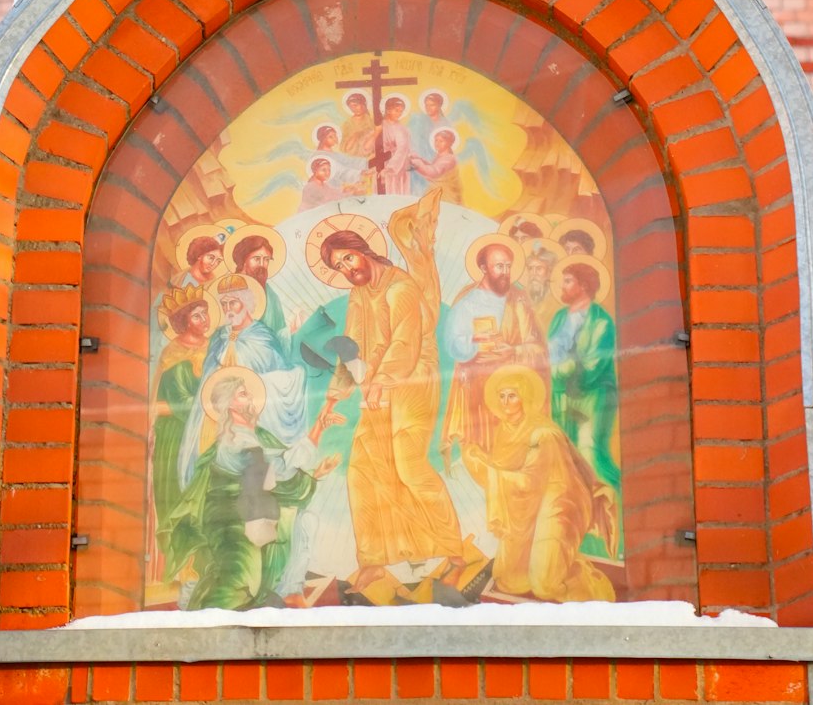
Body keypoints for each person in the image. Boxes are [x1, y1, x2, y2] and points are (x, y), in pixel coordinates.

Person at [319, 207, 463, 589]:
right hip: (376, 387)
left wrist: (382, 380)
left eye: (348, 258)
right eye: (339, 266)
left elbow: (406, 342)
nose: (347, 269)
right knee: (362, 468)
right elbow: (349, 345)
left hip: (414, 378)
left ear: (363, 251)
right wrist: (336, 394)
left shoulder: (402, 287)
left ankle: (454, 550)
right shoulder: (358, 295)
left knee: (409, 464)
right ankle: (373, 560)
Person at [161, 368, 341, 610]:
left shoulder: (257, 436)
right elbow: (278, 469)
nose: (251, 399)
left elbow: (278, 474)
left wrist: (316, 471)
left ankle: (289, 591)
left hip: (253, 514)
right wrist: (318, 428)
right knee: (242, 579)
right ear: (231, 405)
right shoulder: (233, 441)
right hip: (231, 523)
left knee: (305, 521)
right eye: (243, 394)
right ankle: (204, 610)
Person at [463, 367, 617, 603]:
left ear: (524, 398)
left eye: (512, 396)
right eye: (501, 396)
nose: (505, 402)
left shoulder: (543, 435)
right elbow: (505, 473)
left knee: (544, 586)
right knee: (508, 581)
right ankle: (560, 563)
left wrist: (483, 467)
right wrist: (480, 459)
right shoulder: (505, 430)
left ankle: (593, 591)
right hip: (528, 508)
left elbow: (527, 483)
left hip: (560, 504)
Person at [178, 269, 306, 477]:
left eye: (233, 302)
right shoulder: (220, 336)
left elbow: (279, 372)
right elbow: (208, 374)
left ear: (246, 303)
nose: (228, 309)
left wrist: (254, 383)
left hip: (248, 413)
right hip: (215, 415)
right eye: (224, 304)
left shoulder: (261, 336)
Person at [442, 239, 548, 467]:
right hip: (478, 390)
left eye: (508, 266)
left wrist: (515, 351)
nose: (505, 272)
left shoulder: (518, 299)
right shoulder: (466, 302)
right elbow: (452, 344)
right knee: (483, 451)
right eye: (499, 266)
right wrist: (474, 341)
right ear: (483, 269)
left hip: (513, 386)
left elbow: (537, 346)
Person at [547, 262, 619, 492]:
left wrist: (560, 370)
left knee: (590, 451)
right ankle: (580, 518)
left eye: (568, 281)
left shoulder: (601, 321)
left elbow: (593, 364)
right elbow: (548, 353)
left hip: (592, 393)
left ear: (584, 286)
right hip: (562, 394)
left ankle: (612, 504)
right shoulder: (559, 317)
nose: (562, 286)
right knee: (566, 456)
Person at [151, 291, 212, 538]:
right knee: (180, 491)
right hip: (177, 433)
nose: (204, 319)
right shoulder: (173, 353)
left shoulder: (213, 345)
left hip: (206, 428)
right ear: (184, 322)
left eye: (204, 312)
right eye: (196, 316)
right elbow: (180, 400)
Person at [370, 96, 412, 195]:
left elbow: (402, 149)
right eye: (396, 110)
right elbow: (368, 146)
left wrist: (389, 169)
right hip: (379, 164)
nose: (399, 113)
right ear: (388, 110)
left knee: (393, 193)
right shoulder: (379, 126)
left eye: (401, 111)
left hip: (396, 166)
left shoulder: (401, 129)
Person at [409, 128, 462, 205]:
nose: (437, 143)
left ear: (449, 143)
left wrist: (419, 163)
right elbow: (432, 167)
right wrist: (419, 159)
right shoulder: (441, 156)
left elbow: (434, 172)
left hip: (445, 194)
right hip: (437, 190)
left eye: (441, 141)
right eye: (436, 140)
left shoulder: (449, 159)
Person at [523, 246, 559, 333]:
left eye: (539, 269)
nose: (533, 274)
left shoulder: (557, 300)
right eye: (530, 269)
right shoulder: (522, 296)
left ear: (549, 272)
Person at [340, 92, 374, 157]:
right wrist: (354, 137)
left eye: (356, 105)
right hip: (353, 156)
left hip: (369, 156)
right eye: (351, 107)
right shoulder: (347, 124)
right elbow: (343, 147)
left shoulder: (371, 121)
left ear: (363, 105)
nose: (354, 109)